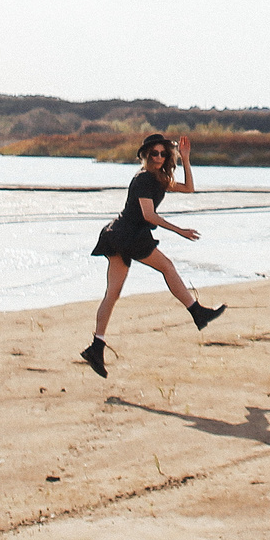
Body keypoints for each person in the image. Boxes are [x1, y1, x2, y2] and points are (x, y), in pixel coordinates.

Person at [79, 132, 224, 376]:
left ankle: (96, 346)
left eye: (163, 153)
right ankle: (197, 312)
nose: (158, 157)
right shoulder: (145, 178)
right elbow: (149, 215)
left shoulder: (158, 177)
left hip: (119, 233)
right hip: (129, 235)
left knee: (112, 294)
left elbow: (189, 188)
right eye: (154, 153)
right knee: (166, 267)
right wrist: (179, 230)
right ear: (146, 155)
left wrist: (186, 159)